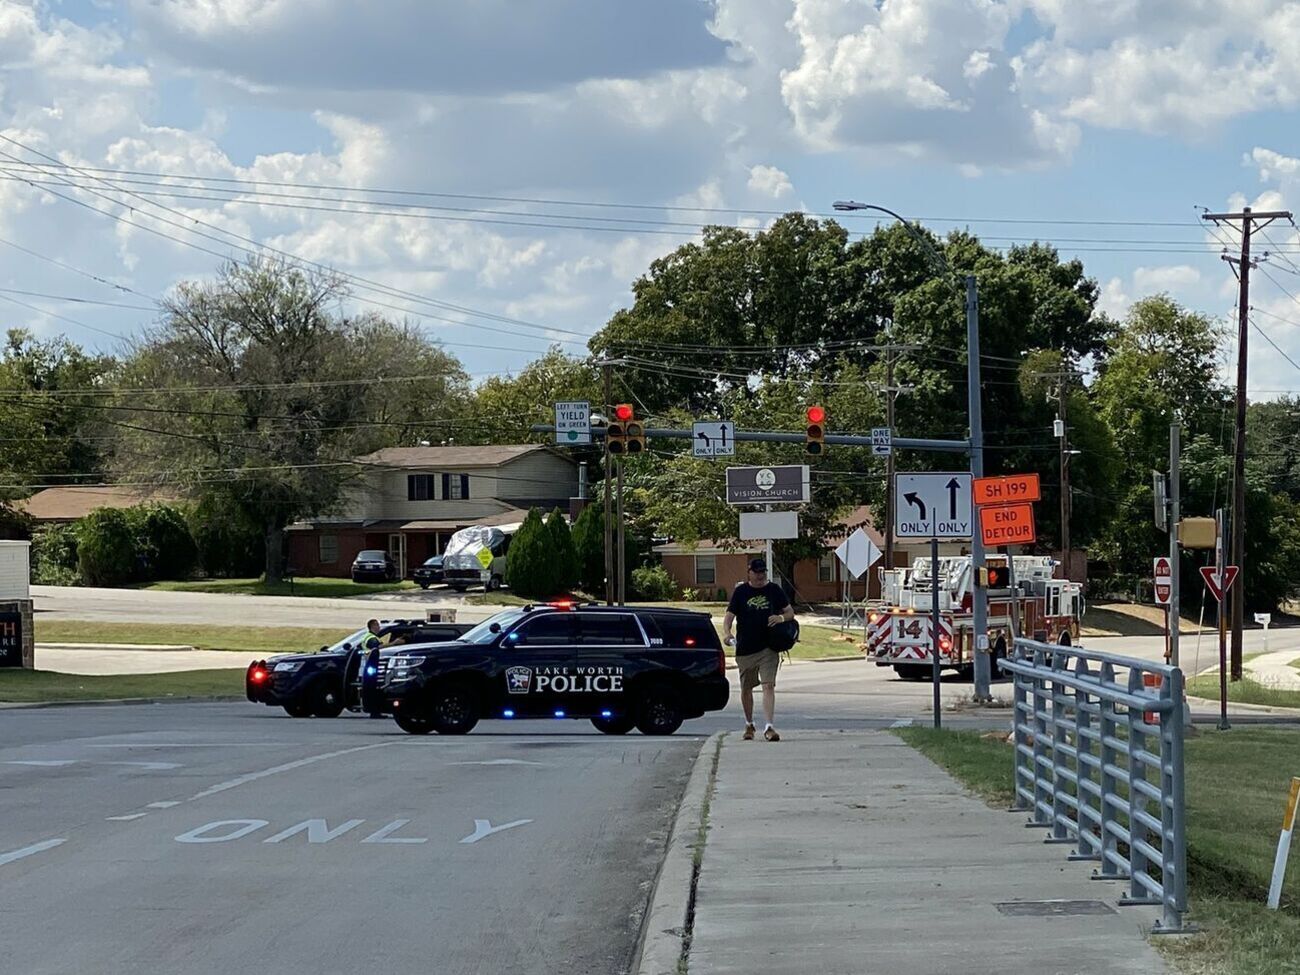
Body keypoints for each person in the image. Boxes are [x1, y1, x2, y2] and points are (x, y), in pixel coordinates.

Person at [722, 558, 794, 742]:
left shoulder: (774, 590)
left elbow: (790, 612)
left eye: (763, 572)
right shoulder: (741, 592)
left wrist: (780, 618)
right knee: (746, 689)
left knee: (768, 685)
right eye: (757, 572)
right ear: (749, 572)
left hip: (769, 647)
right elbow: (729, 617)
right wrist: (727, 633)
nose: (760, 575)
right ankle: (749, 724)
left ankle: (769, 727)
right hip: (745, 648)